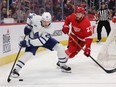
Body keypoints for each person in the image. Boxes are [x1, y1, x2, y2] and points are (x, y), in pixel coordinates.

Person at [11, 12, 71, 78]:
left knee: (60, 47)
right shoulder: (36, 18)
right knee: (28, 54)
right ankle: (16, 70)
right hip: (33, 38)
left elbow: (41, 41)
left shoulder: (50, 29)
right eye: (44, 21)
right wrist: (28, 25)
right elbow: (30, 16)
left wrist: (27, 43)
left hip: (43, 40)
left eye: (48, 22)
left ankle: (62, 65)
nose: (46, 24)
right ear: (41, 19)